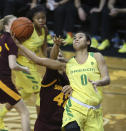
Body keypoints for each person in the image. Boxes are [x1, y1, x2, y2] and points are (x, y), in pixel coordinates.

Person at [61, 32, 110, 131]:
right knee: (72, 128)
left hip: (94, 110)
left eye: (80, 37)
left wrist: (99, 82)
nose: (76, 39)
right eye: (74, 38)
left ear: (88, 42)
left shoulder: (96, 57)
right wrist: (68, 86)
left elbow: (107, 78)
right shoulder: (69, 63)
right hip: (75, 106)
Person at [13, 6, 48, 115]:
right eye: (38, 18)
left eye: (43, 18)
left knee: (25, 94)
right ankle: (41, 121)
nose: (41, 20)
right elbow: (13, 49)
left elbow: (44, 48)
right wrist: (25, 53)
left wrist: (49, 63)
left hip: (32, 65)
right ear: (32, 19)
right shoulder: (27, 30)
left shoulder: (44, 29)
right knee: (41, 90)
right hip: (22, 64)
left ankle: (0, 115)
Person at [34, 36, 72, 131]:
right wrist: (56, 45)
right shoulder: (49, 76)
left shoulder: (70, 78)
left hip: (61, 126)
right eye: (57, 55)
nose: (59, 56)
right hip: (45, 126)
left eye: (61, 55)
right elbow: (52, 59)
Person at [0, 15, 31, 131]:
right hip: (3, 81)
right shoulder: (11, 41)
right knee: (25, 112)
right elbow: (12, 65)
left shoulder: (2, 37)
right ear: (7, 25)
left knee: (13, 103)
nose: (18, 24)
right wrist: (24, 69)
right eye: (15, 23)